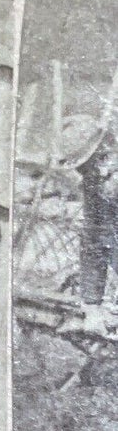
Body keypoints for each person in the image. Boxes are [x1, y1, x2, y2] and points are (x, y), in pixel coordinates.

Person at [72, 127, 118, 337]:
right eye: (89, 169)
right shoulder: (96, 185)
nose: (100, 173)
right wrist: (92, 306)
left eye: (103, 160)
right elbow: (94, 242)